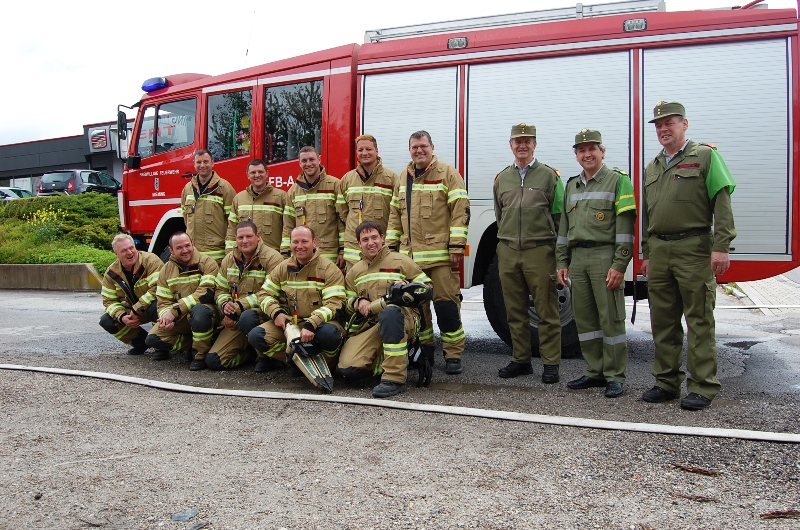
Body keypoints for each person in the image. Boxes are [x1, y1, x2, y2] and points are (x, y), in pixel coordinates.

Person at [640, 101, 736, 411]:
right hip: (660, 250)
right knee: (663, 321)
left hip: (694, 248)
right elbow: (648, 213)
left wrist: (721, 246)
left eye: (669, 122)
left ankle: (703, 386)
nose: (663, 129)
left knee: (699, 320)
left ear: (685, 124)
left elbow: (722, 203)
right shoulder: (652, 166)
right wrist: (647, 252)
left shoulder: (705, 156)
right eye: (658, 124)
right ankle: (666, 382)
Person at [556, 129, 636, 398]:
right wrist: (562, 261)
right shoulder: (571, 185)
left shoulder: (618, 181)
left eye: (592, 149)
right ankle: (594, 371)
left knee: (611, 318)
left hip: (605, 257)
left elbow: (626, 228)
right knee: (585, 318)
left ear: (603, 151)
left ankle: (615, 375)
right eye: (581, 150)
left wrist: (620, 264)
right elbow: (564, 229)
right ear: (576, 155)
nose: (587, 154)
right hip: (578, 259)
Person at [386, 131, 469, 375]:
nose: (419, 150)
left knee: (446, 307)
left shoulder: (447, 173)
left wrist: (456, 246)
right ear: (409, 150)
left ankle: (453, 354)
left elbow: (460, 210)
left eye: (423, 146)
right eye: (414, 147)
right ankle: (427, 350)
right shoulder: (404, 177)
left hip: (441, 257)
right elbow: (394, 216)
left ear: (432, 147)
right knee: (418, 309)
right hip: (412, 260)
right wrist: (392, 251)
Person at [493, 123, 564, 383]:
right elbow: (500, 216)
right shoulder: (502, 179)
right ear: (510, 145)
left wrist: (559, 254)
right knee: (515, 310)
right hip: (509, 250)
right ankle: (521, 360)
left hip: (540, 251)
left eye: (527, 141)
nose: (522, 145)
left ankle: (550, 363)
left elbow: (559, 218)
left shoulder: (549, 176)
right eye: (517, 141)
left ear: (535, 144)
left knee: (547, 311)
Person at [339, 220, 432, 398]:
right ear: (359, 243)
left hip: (402, 319)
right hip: (372, 324)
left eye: (374, 237)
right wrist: (358, 302)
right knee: (348, 370)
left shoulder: (402, 261)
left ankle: (394, 379)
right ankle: (410, 354)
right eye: (365, 239)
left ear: (382, 238)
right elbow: (346, 299)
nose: (371, 243)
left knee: (390, 313)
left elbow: (427, 287)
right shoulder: (355, 271)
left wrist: (407, 286)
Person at [248, 225, 345, 374]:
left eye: (304, 241)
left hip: (319, 325)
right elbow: (264, 294)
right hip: (291, 324)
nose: (299, 246)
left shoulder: (329, 269)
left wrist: (312, 323)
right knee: (256, 336)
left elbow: (335, 303)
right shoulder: (283, 268)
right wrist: (276, 313)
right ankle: (295, 360)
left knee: (330, 335)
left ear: (314, 242)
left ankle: (327, 364)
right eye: (295, 242)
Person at [205, 220, 284, 371]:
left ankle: (266, 357)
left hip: (263, 315)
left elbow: (270, 293)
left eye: (249, 236)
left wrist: (237, 308)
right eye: (240, 238)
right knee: (215, 361)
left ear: (258, 236)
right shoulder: (229, 259)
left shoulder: (273, 259)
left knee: (249, 317)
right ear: (235, 239)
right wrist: (225, 305)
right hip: (236, 317)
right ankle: (249, 354)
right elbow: (220, 289)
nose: (245, 241)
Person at [145, 232, 220, 369]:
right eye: (179, 248)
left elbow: (205, 293)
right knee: (153, 339)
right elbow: (163, 301)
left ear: (193, 244)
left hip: (207, 314)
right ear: (171, 250)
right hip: (181, 316)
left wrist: (174, 311)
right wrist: (165, 319)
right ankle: (194, 345)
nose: (185, 250)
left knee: (200, 312)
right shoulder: (166, 270)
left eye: (187, 245)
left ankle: (199, 355)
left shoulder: (207, 263)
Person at [336, 135, 399, 268]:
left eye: (369, 149)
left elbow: (397, 213)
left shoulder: (391, 179)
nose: (364, 153)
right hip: (354, 250)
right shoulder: (347, 180)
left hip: (381, 248)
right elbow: (342, 214)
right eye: (360, 150)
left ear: (377, 151)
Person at [99, 233, 163, 355]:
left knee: (157, 305)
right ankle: (141, 343)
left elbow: (157, 289)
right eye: (124, 250)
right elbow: (109, 301)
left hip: (150, 306)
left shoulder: (151, 260)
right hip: (134, 311)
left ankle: (160, 345)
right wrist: (122, 316)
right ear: (116, 254)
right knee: (106, 320)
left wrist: (136, 309)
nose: (130, 252)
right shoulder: (111, 273)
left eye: (131, 248)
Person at [281, 147, 345, 267]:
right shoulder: (293, 191)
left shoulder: (335, 185)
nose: (308, 164)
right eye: (304, 161)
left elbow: (342, 222)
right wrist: (285, 253)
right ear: (299, 163)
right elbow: (288, 225)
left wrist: (342, 250)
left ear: (319, 160)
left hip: (329, 253)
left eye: (312, 159)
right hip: (302, 255)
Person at [181, 149, 236, 263]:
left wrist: (230, 253)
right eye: (199, 162)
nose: (202, 165)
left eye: (206, 162)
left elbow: (232, 222)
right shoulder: (187, 189)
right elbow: (186, 218)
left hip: (217, 257)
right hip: (193, 256)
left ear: (212, 162)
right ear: (194, 164)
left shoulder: (224, 188)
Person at [226, 159, 287, 253]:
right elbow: (232, 230)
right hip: (245, 258)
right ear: (248, 175)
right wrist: (230, 254)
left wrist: (285, 254)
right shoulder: (238, 199)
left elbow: (288, 228)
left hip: (272, 257)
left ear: (267, 173)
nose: (257, 175)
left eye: (260, 172)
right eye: (253, 172)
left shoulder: (281, 197)